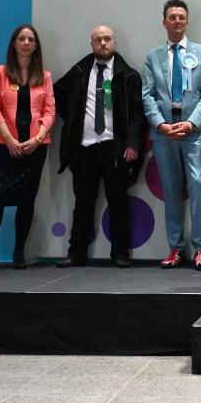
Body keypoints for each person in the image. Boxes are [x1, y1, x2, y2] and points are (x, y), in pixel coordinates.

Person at [53, 25, 147, 269]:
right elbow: (56, 95)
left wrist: (133, 143)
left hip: (114, 147)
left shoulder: (128, 75)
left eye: (107, 39)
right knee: (82, 203)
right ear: (91, 43)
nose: (102, 43)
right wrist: (73, 120)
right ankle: (76, 253)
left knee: (118, 202)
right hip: (84, 148)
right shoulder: (79, 72)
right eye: (97, 40)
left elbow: (138, 114)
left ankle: (120, 253)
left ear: (115, 42)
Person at [0, 24, 55, 273]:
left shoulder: (45, 76)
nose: (26, 43)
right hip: (5, 145)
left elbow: (50, 111)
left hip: (35, 147)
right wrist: (9, 139)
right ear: (14, 44)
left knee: (26, 200)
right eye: (22, 39)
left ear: (36, 46)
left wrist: (38, 138)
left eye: (31, 39)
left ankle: (19, 253)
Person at [142, 0, 201, 270]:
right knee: (171, 189)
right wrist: (161, 125)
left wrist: (191, 123)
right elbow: (148, 96)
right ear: (164, 22)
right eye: (172, 17)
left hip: (193, 132)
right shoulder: (152, 56)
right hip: (163, 133)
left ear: (187, 22)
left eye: (181, 17)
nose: (177, 21)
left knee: (197, 185)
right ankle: (175, 248)